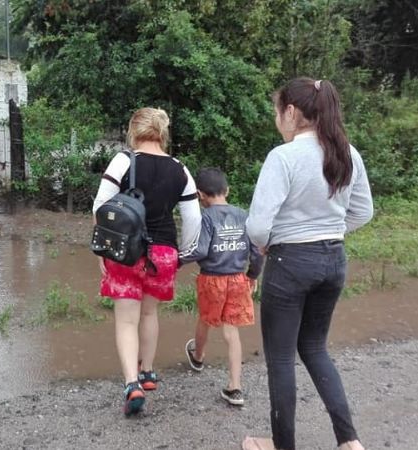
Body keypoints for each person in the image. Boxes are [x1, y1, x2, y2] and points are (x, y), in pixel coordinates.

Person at [242, 78, 373, 450]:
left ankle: (282, 445)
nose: (276, 120)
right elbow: (363, 211)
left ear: (291, 112)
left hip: (290, 262)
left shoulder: (283, 157)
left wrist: (267, 243)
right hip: (334, 260)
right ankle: (349, 441)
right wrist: (328, 230)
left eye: (276, 112)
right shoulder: (348, 153)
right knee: (315, 347)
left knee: (281, 358)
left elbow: (257, 226)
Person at [92, 107, 201, 416]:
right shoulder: (180, 169)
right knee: (150, 313)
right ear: (162, 133)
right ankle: (148, 372)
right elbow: (193, 218)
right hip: (164, 252)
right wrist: (183, 254)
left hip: (126, 251)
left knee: (127, 320)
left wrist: (103, 250)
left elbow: (100, 206)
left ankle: (132, 384)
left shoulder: (123, 161)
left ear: (133, 131)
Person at [179, 167, 263, 407]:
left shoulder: (205, 218)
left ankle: (198, 357)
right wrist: (252, 275)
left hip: (212, 280)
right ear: (227, 190)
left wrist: (176, 260)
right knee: (231, 331)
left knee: (205, 319)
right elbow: (257, 252)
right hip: (237, 279)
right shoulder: (244, 215)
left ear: (200, 195)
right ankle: (235, 387)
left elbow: (200, 250)